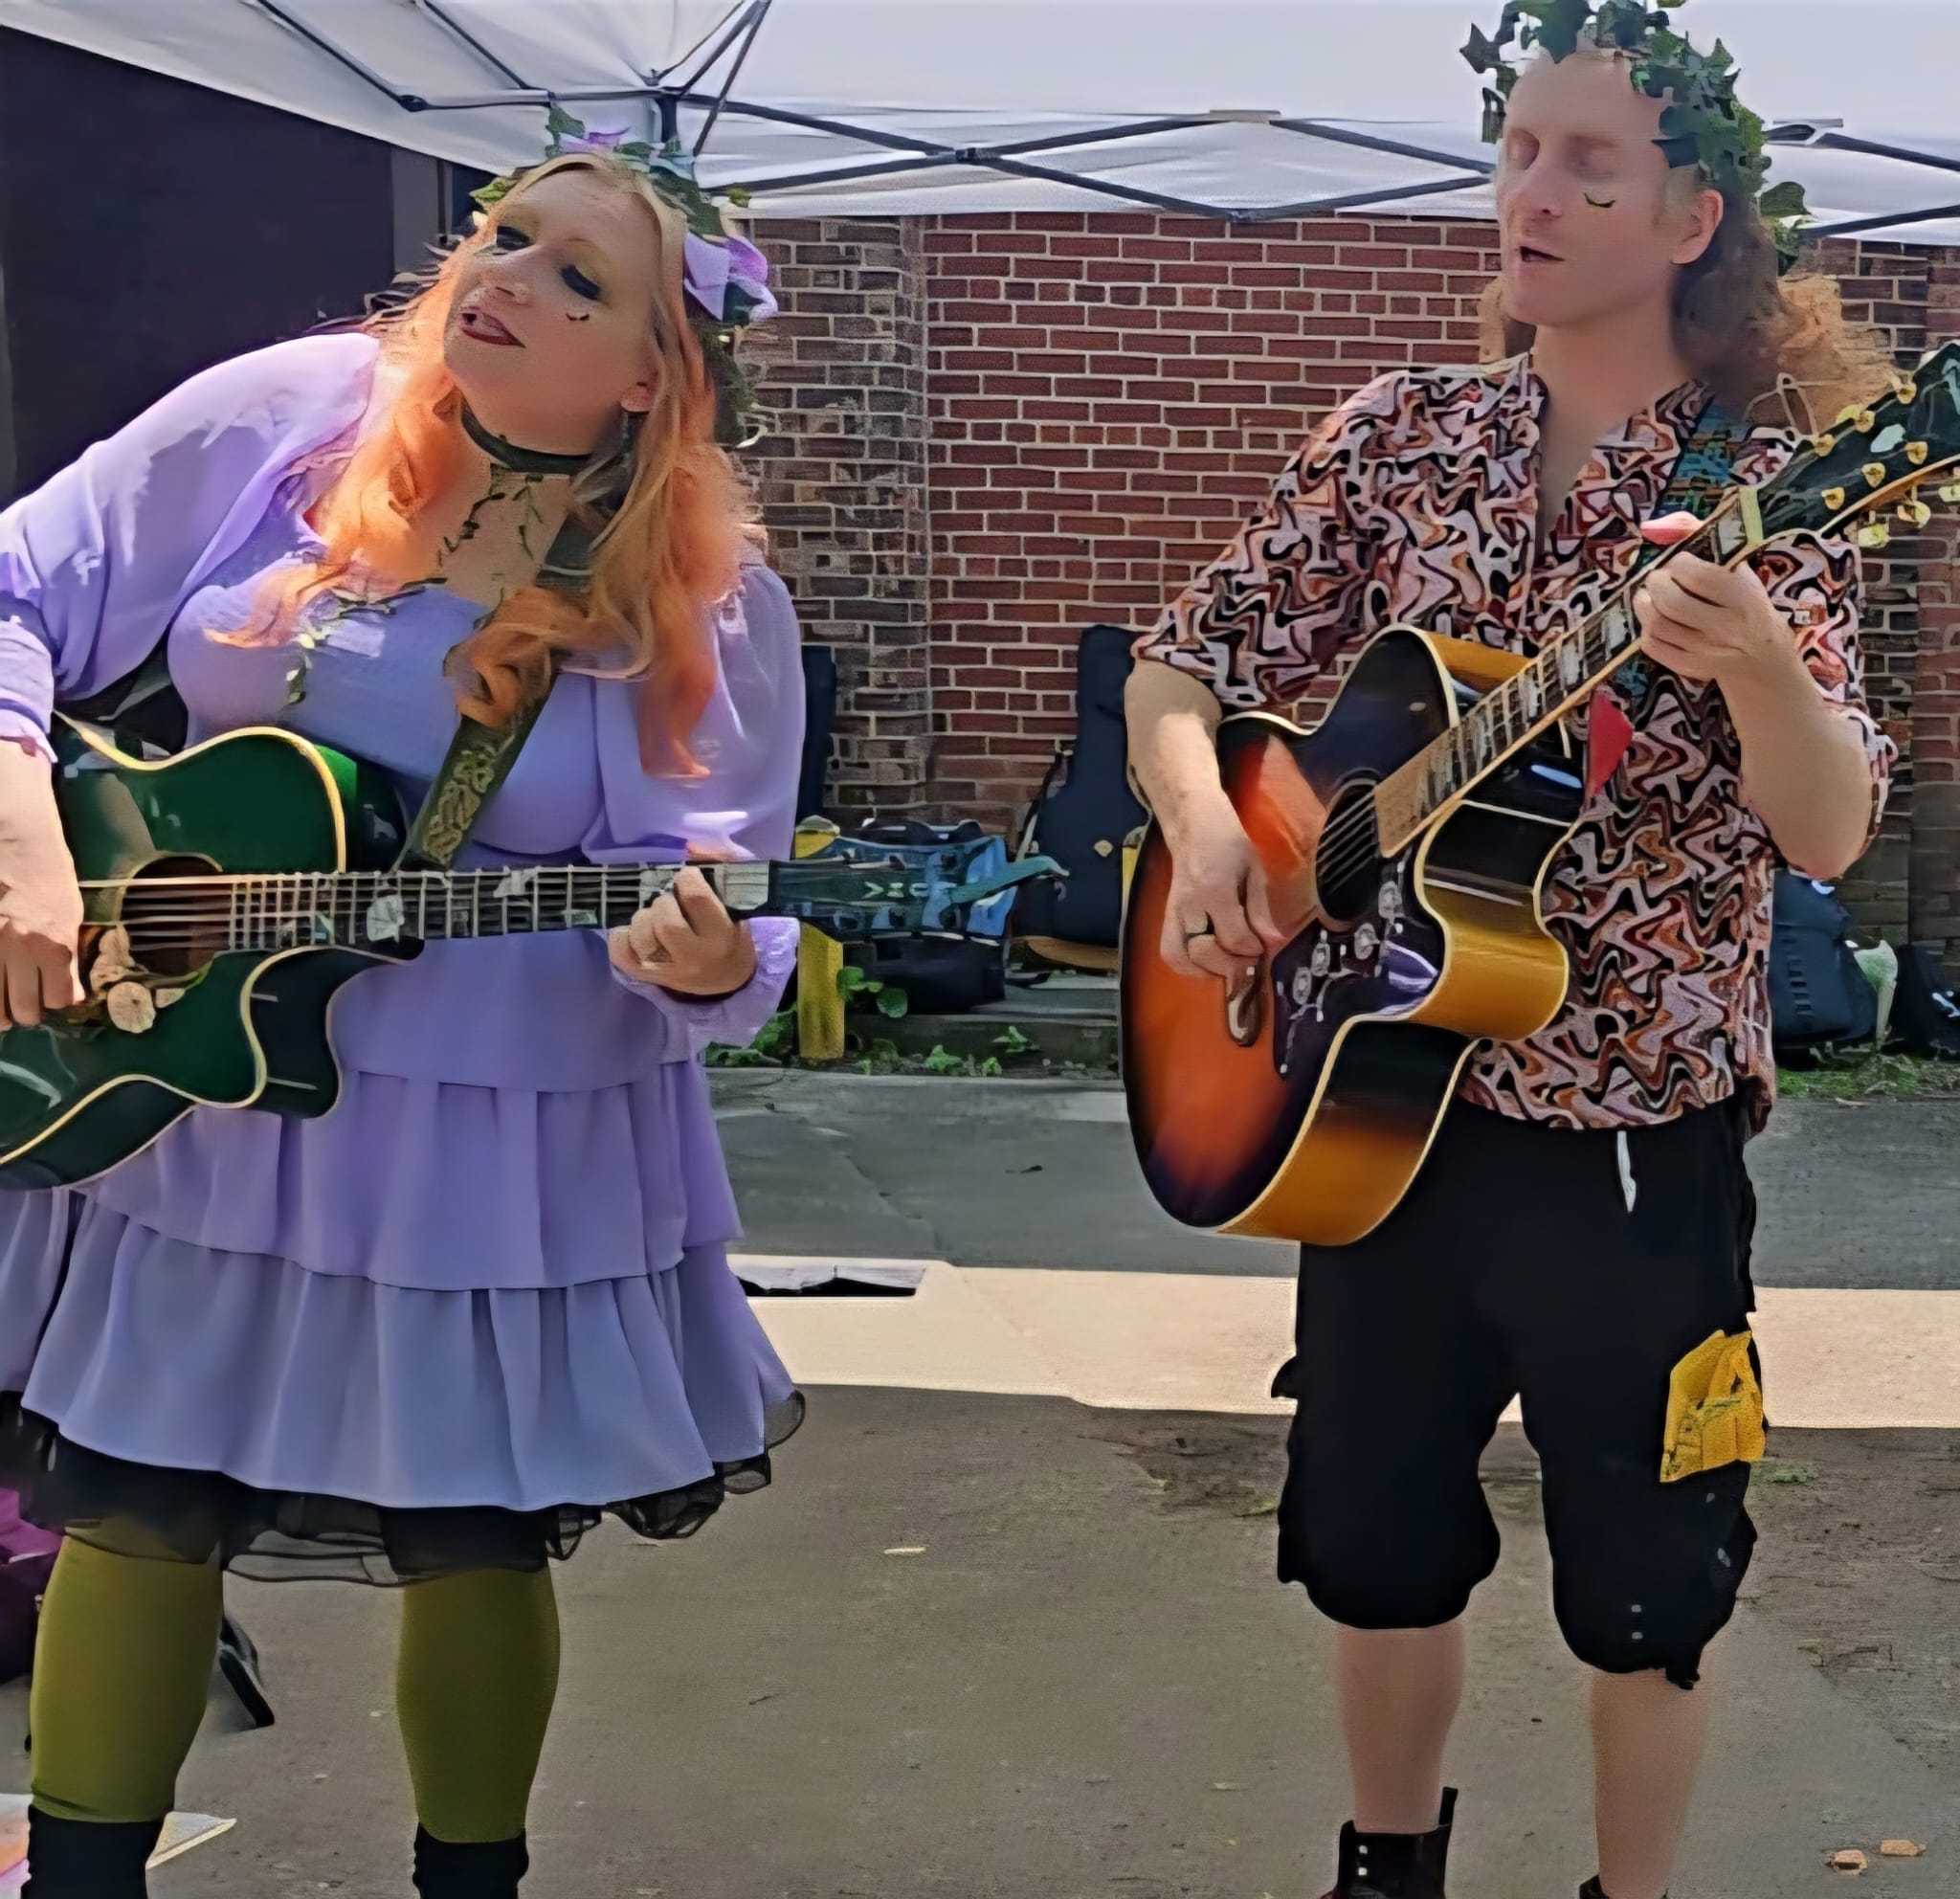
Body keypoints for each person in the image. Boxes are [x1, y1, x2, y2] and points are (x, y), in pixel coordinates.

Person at [1125, 11, 1898, 1899]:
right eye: (1519, 152)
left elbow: (1827, 827)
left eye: (1587, 165)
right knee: (1371, 1543)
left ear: (1693, 217)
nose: (1529, 195)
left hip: (1632, 1128)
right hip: (1368, 1108)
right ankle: (1384, 1867)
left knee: (1648, 1583)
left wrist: (1758, 664)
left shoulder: (1766, 479)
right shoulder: (1402, 435)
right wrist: (1212, 832)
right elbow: (1181, 661)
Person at [0, 125, 804, 1897]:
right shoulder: (294, 417)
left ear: (652, 377)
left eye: (576, 278)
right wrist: (20, 830)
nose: (502, 278)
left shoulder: (706, 599)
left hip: (485, 1141)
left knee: (473, 1531)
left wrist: (705, 960)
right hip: (197, 1075)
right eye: (503, 235)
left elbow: (726, 901)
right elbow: (16, 582)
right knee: (140, 1498)